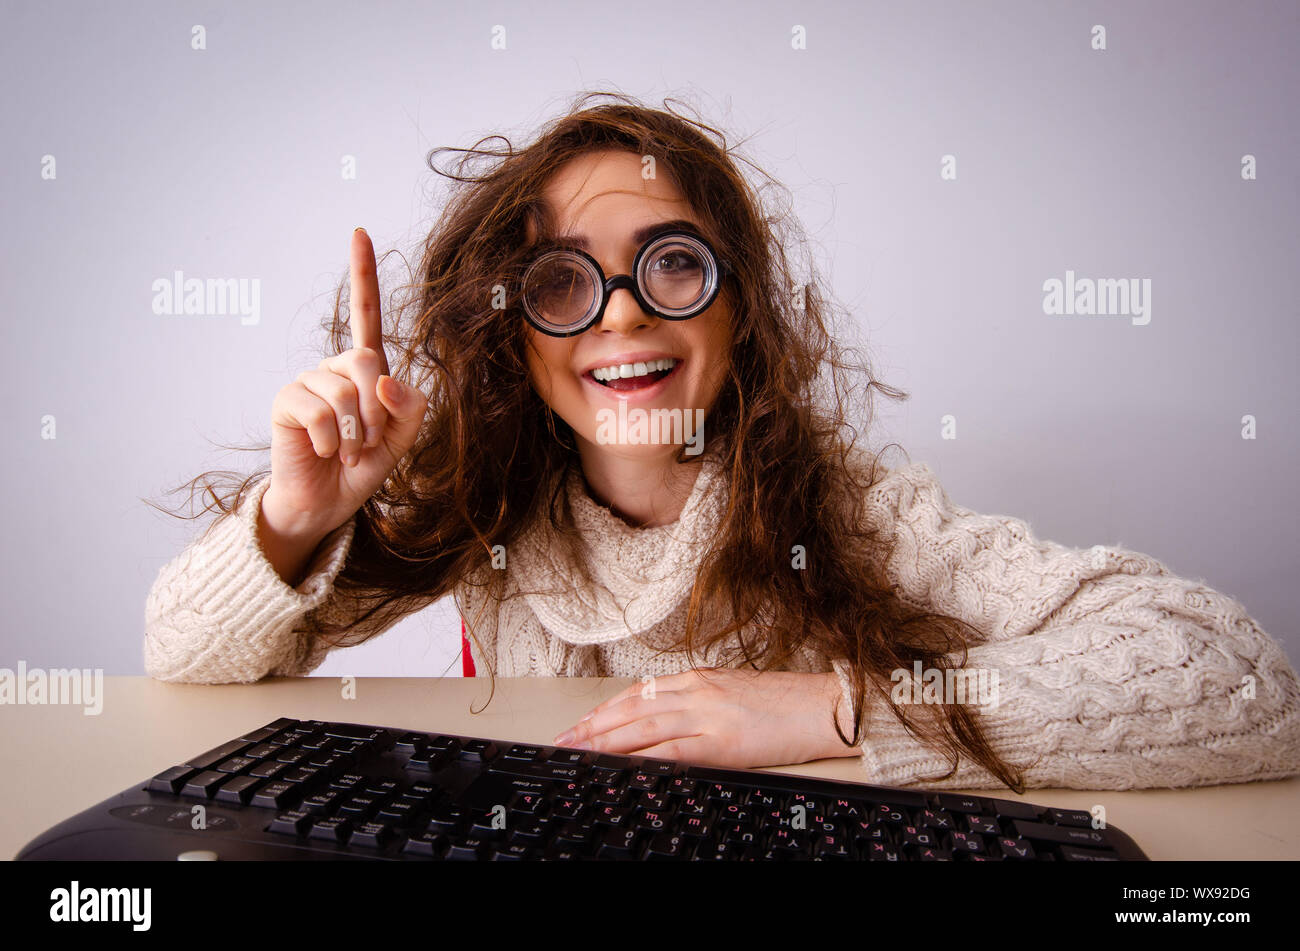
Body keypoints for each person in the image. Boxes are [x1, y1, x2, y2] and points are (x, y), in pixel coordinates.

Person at [144, 92, 1300, 792]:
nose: (619, 314)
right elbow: (185, 660)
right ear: (513, 333)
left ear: (740, 307)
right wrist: (304, 514)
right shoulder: (486, 509)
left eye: (672, 264)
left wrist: (834, 712)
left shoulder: (853, 511)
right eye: (559, 282)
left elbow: (1244, 687)